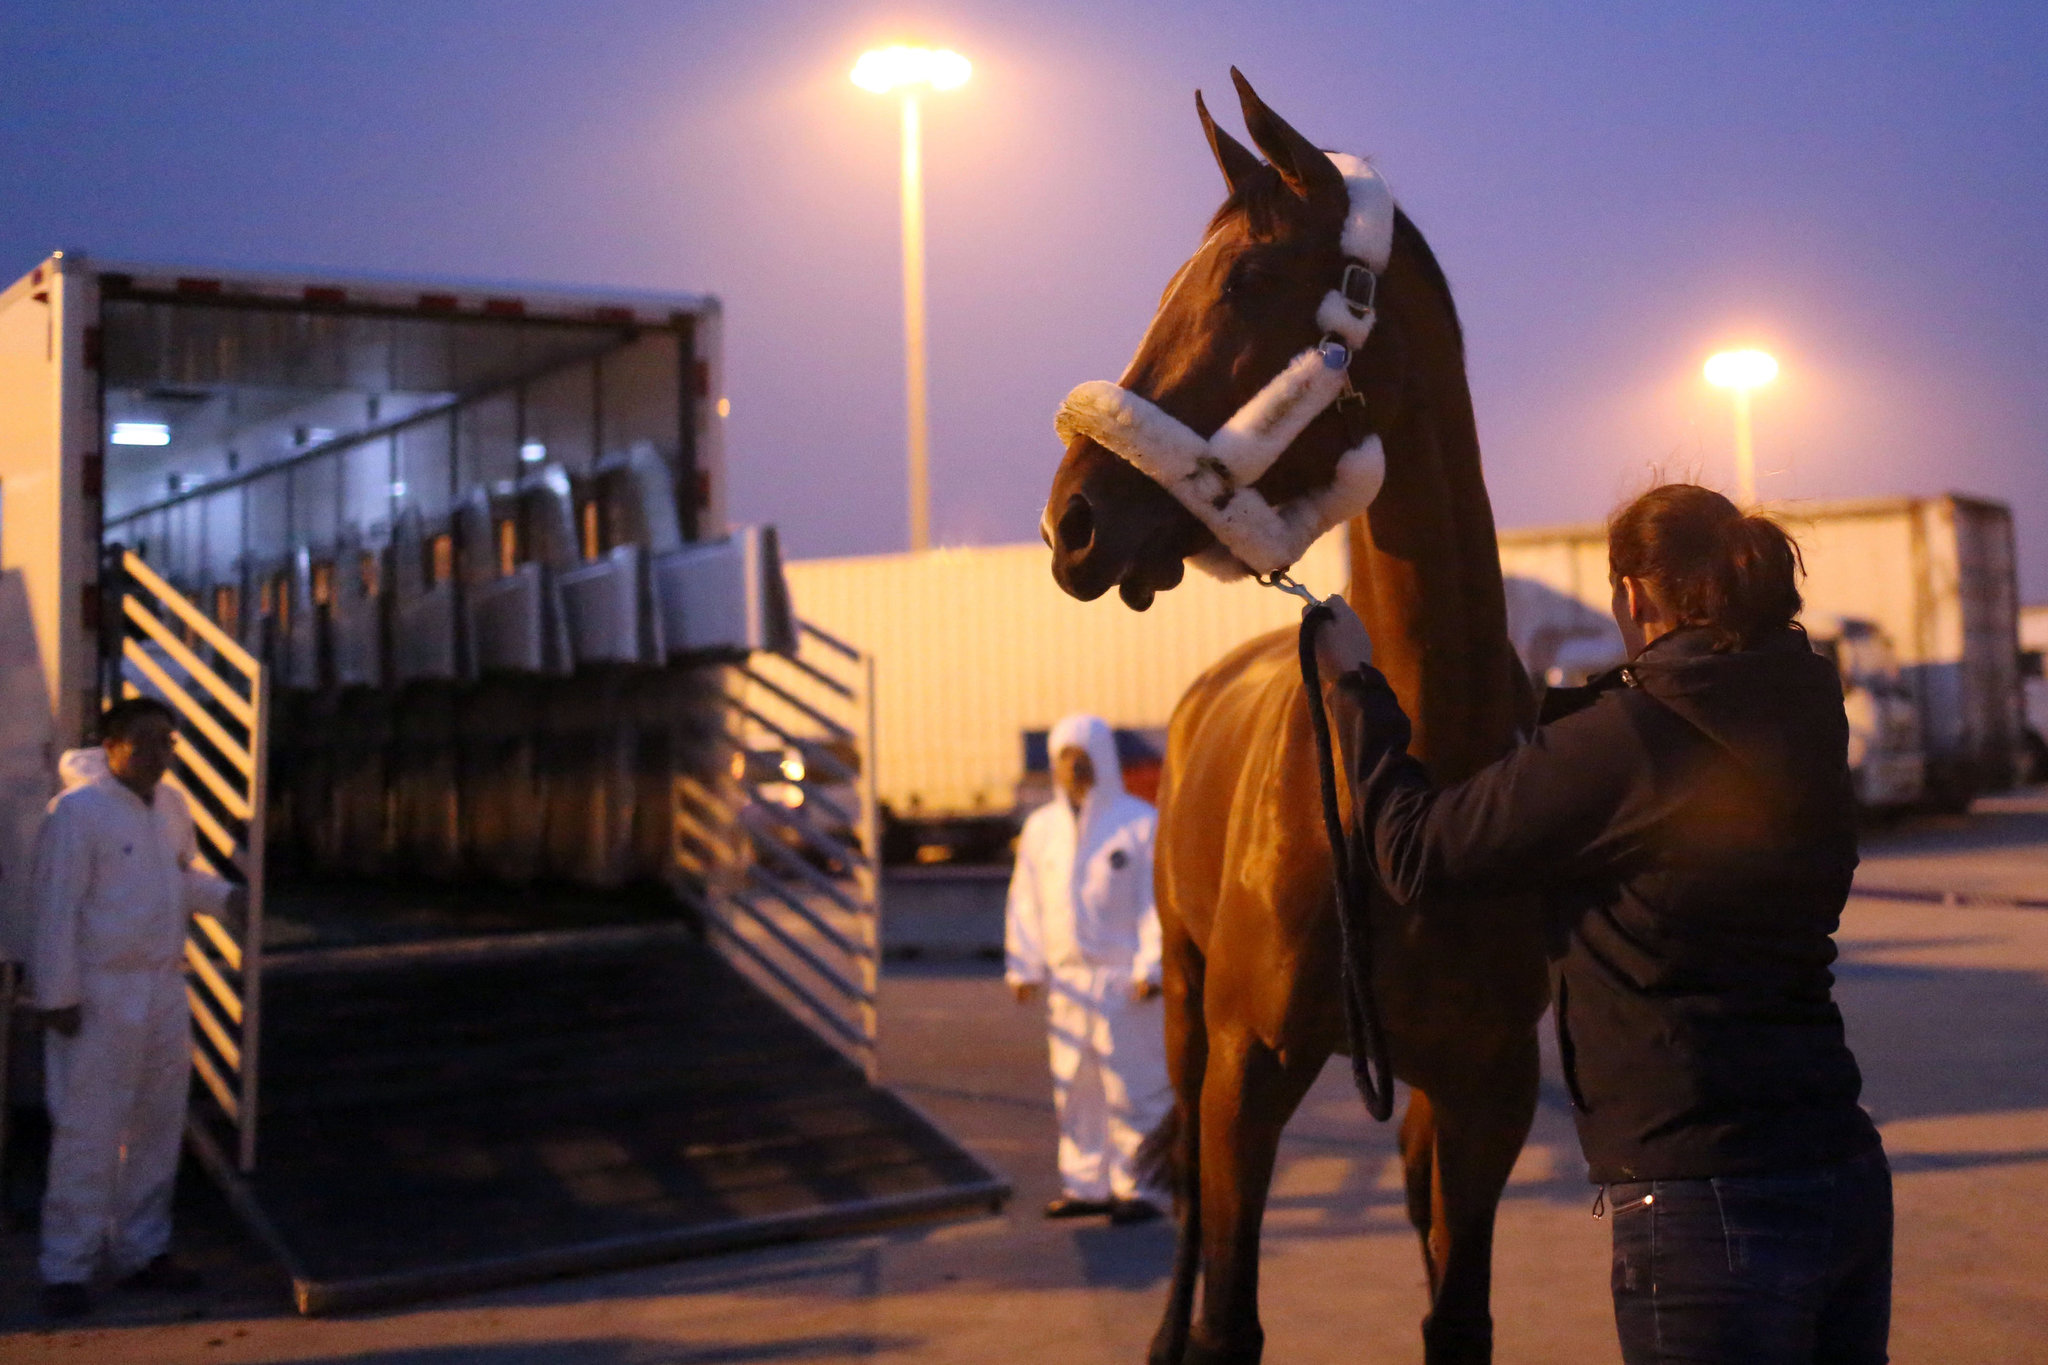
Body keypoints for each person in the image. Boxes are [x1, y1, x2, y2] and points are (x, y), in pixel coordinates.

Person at [1314, 484, 1890, 1365]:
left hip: (1706, 1202)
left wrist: (1355, 689)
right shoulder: (1804, 708)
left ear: (1635, 593)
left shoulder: (1631, 740)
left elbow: (1416, 854)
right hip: (1842, 1173)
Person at [28, 697, 244, 1319]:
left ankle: (142, 1251)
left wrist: (228, 898)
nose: (160, 754)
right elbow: (54, 908)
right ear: (112, 744)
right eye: (146, 741)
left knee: (156, 1123)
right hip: (99, 993)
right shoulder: (77, 813)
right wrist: (57, 996)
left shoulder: (171, 808)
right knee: (87, 1131)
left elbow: (179, 879)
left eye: (168, 742)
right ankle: (65, 1266)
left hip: (161, 988)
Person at [1006, 712, 1170, 1223]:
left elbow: (1155, 901)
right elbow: (1026, 900)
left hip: (1124, 982)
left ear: (1102, 760)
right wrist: (1025, 966)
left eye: (1080, 759)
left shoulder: (1138, 823)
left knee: (1134, 1087)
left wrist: (1152, 964)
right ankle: (1085, 1184)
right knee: (1075, 1087)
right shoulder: (1042, 830)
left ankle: (1140, 1187)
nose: (1072, 770)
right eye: (1063, 759)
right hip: (1068, 983)